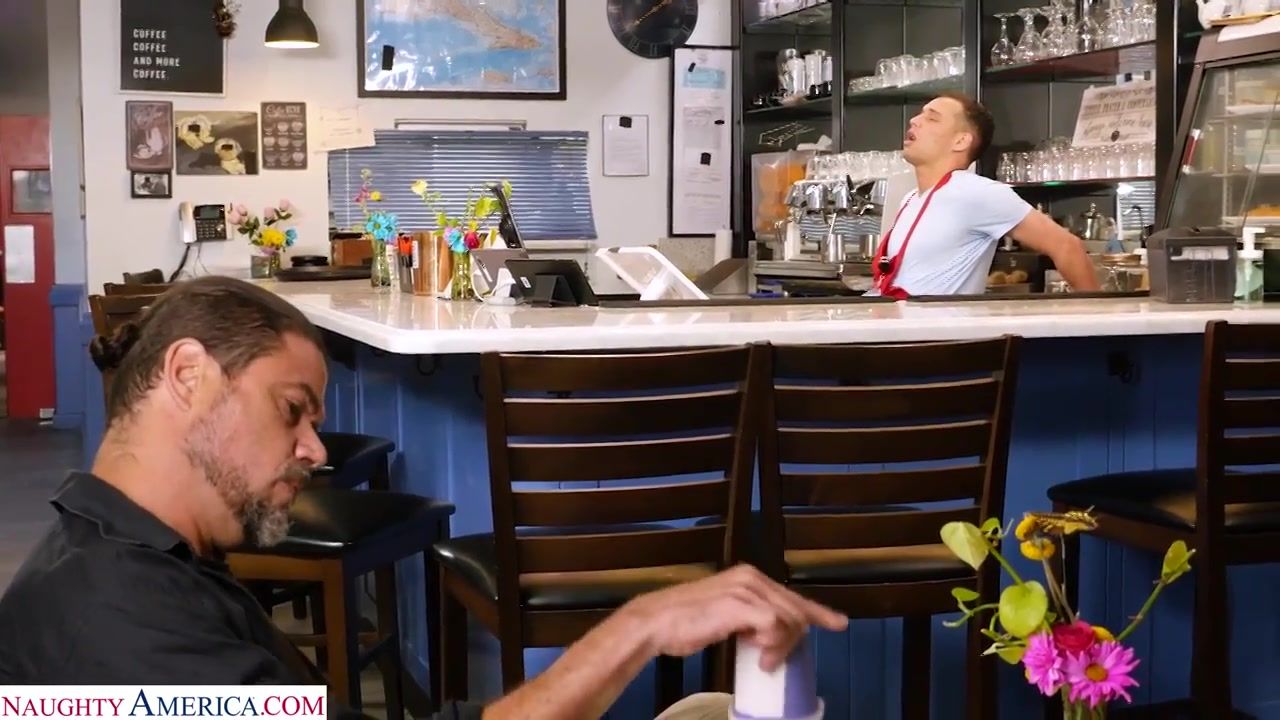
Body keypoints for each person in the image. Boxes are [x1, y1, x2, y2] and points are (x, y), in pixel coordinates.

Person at [0, 276, 847, 720]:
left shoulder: (141, 563)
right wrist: (639, 627)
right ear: (188, 375)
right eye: (292, 410)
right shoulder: (118, 626)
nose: (315, 450)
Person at [869, 91, 1100, 298]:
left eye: (932, 118)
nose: (914, 120)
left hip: (940, 332)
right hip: (900, 327)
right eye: (920, 114)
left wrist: (1097, 320)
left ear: (961, 141)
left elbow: (1067, 246)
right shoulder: (910, 198)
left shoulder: (975, 191)